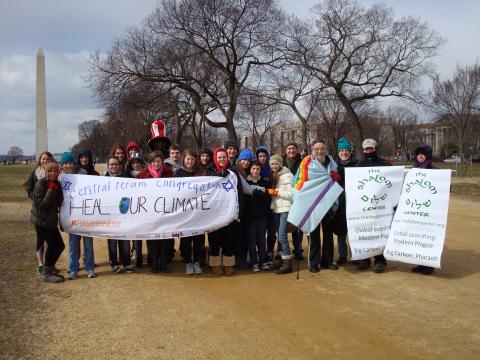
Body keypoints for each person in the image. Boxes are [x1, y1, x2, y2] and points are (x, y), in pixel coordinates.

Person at [356, 138, 391, 273]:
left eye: (371, 148)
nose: (368, 151)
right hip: (364, 206)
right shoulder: (359, 165)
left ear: (375, 149)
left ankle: (380, 260)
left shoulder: (384, 164)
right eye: (366, 149)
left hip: (381, 206)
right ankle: (365, 259)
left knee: (379, 232)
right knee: (366, 231)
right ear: (363, 150)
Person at [205, 148, 241, 276]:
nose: (222, 159)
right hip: (213, 213)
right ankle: (214, 264)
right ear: (215, 158)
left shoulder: (233, 173)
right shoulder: (208, 172)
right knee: (214, 240)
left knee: (229, 240)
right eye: (219, 157)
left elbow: (239, 192)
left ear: (227, 158)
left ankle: (229, 264)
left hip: (229, 212)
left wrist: (239, 211)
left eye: (224, 157)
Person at [306, 141, 340, 273]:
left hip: (328, 203)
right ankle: (313, 263)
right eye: (316, 149)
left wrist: (336, 177)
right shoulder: (307, 164)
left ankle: (327, 261)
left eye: (322, 148)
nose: (319, 151)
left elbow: (337, 181)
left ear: (326, 149)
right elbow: (300, 181)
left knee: (328, 234)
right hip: (313, 205)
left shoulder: (332, 163)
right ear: (312, 150)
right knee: (313, 235)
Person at [138, 150, 174, 273]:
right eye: (154, 161)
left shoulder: (169, 173)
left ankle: (163, 263)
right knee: (152, 238)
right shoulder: (143, 175)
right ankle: (154, 262)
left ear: (162, 162)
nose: (156, 163)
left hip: (164, 211)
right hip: (149, 212)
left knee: (164, 238)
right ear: (150, 163)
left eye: (159, 161)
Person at [30, 161, 65, 283]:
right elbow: (41, 205)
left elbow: (59, 202)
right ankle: (46, 273)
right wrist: (51, 190)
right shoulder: (41, 184)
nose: (53, 173)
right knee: (55, 245)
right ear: (46, 172)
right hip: (41, 221)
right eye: (50, 171)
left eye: (55, 171)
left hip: (50, 221)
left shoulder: (57, 184)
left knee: (60, 246)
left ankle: (49, 269)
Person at [175, 149, 205, 275]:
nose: (190, 161)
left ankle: (196, 262)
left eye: (193, 159)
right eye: (188, 159)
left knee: (198, 238)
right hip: (184, 212)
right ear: (184, 159)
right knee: (186, 239)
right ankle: (188, 262)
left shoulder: (201, 173)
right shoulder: (178, 173)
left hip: (198, 212)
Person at [69, 149, 99, 279]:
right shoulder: (72, 175)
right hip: (75, 214)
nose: (84, 160)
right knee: (73, 244)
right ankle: (73, 269)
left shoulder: (95, 174)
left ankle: (90, 268)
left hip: (88, 215)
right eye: (82, 157)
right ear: (79, 159)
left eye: (86, 157)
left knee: (88, 244)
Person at [23, 151, 54, 273]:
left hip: (50, 212)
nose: (45, 161)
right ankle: (41, 264)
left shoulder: (53, 173)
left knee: (51, 240)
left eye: (47, 159)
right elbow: (29, 189)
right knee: (40, 238)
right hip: (39, 211)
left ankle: (49, 263)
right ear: (40, 161)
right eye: (43, 159)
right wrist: (36, 199)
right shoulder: (35, 174)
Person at [331, 137, 358, 265]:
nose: (344, 152)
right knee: (341, 233)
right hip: (340, 205)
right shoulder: (334, 167)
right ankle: (342, 255)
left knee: (354, 232)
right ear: (338, 152)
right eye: (341, 150)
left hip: (355, 204)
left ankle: (356, 256)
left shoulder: (358, 165)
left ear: (350, 151)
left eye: (346, 150)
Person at [104, 156, 133, 274]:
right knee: (112, 241)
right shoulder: (103, 180)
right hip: (110, 216)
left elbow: (129, 195)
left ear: (119, 165)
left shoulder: (125, 178)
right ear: (108, 165)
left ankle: (126, 262)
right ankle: (114, 263)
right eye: (111, 164)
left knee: (125, 240)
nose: (114, 166)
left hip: (123, 214)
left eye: (116, 164)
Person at [411, 144, 436, 276]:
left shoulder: (435, 171)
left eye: (423, 154)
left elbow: (442, 188)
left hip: (429, 211)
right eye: (418, 153)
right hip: (416, 209)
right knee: (418, 237)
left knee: (427, 237)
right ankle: (421, 263)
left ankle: (429, 265)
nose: (420, 156)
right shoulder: (413, 170)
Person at [267, 155, 294, 274]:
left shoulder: (287, 175)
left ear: (281, 164)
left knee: (282, 236)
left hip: (285, 209)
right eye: (272, 164)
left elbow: (291, 194)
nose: (274, 166)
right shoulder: (274, 176)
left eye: (276, 164)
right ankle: (283, 261)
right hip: (276, 209)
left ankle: (288, 263)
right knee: (280, 235)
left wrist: (276, 192)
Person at [245, 161, 271, 271]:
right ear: (250, 170)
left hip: (262, 217)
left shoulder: (264, 182)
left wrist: (261, 195)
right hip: (250, 218)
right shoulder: (246, 182)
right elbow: (244, 200)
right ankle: (254, 262)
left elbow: (268, 199)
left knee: (261, 240)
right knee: (251, 241)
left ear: (260, 170)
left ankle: (263, 261)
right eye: (253, 169)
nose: (255, 171)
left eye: (257, 169)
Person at [282, 141, 305, 260]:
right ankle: (281, 249)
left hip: (297, 197)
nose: (291, 151)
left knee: (297, 225)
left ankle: (298, 249)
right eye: (289, 148)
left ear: (296, 150)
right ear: (286, 150)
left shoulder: (302, 162)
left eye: (293, 148)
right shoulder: (281, 162)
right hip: (283, 198)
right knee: (282, 225)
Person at [125, 153, 147, 267]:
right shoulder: (127, 176)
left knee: (146, 233)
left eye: (138, 162)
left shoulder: (146, 174)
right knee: (135, 235)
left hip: (144, 207)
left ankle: (149, 256)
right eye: (133, 163)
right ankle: (138, 257)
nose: (136, 165)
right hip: (131, 208)